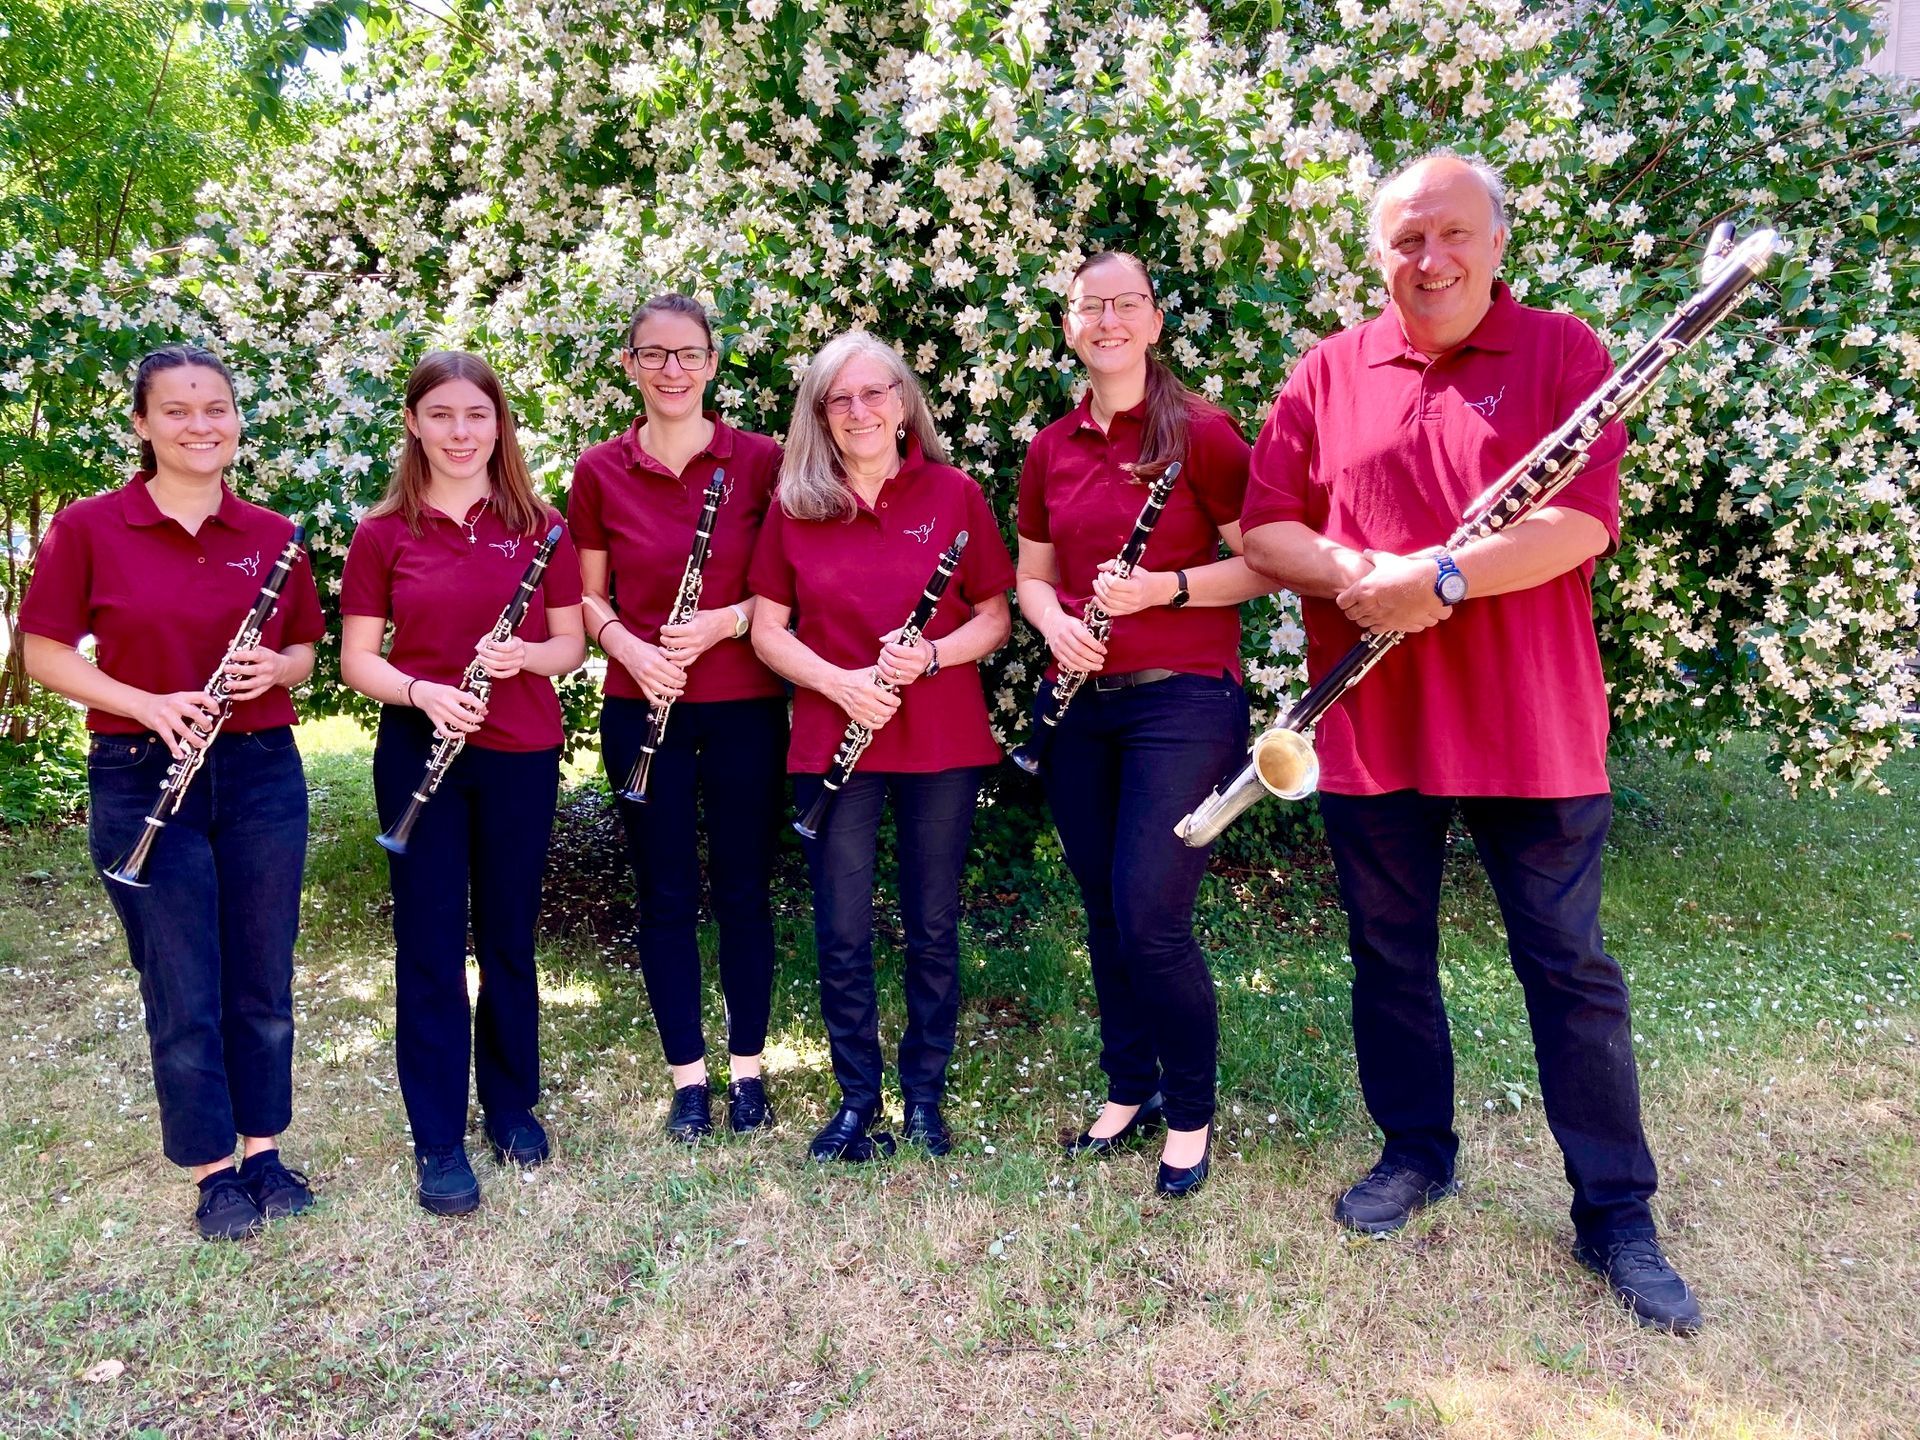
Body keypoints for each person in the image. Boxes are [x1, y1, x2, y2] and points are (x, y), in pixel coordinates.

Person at [1239, 151, 1701, 1332]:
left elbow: (1577, 524)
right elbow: (1265, 527)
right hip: (1370, 720)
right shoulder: (1330, 371)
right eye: (1405, 240)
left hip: (1527, 729)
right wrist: (1359, 574)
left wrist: (1439, 575)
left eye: (1452, 235)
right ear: (1378, 250)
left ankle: (1616, 1213)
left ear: (1499, 240)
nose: (1429, 260)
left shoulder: (1565, 354)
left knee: (1568, 968)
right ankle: (1415, 1153)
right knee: (1388, 957)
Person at [20, 345, 324, 1239]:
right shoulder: (88, 528)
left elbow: (303, 652)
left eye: (217, 408)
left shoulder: (274, 535)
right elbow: (42, 654)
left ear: (237, 421)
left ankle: (264, 1148)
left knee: (263, 974)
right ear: (143, 425)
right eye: (180, 411)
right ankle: (212, 1169)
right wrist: (146, 704)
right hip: (139, 770)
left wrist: (279, 665)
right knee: (182, 979)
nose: (202, 425)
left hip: (262, 767)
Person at [1015, 252, 1270, 1199]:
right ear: (1071, 325)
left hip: (1184, 699)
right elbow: (1032, 576)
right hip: (1083, 704)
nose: (1108, 321)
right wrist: (1055, 625)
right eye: (1091, 308)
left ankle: (1190, 1115)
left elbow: (1268, 563)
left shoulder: (1203, 434)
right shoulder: (1051, 446)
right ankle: (1131, 1085)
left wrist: (1164, 587)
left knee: (1153, 916)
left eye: (1126, 305)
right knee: (1104, 908)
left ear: (1155, 321)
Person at [748, 332, 1014, 1162]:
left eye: (875, 394)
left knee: (932, 926)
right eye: (841, 400)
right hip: (835, 738)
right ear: (820, 417)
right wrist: (839, 682)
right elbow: (766, 631)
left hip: (940, 738)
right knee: (841, 929)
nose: (860, 412)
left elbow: (995, 617)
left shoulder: (954, 493)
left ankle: (925, 1098)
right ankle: (858, 1100)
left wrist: (932, 653)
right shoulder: (795, 505)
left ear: (903, 403)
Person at [339, 350, 584, 1217]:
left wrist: (524, 657)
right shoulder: (383, 534)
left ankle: (512, 1105)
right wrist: (422, 691)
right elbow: (357, 659)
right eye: (440, 414)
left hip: (519, 747)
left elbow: (570, 647)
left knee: (510, 940)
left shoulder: (540, 525)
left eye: (475, 415)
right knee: (432, 951)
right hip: (420, 749)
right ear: (413, 423)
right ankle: (439, 1135)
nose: (458, 432)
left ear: (498, 424)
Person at [571, 294, 786, 1142]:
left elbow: (785, 584)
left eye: (688, 354)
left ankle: (748, 1073)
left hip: (743, 705)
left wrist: (725, 622)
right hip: (640, 704)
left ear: (711, 363)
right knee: (662, 896)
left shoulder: (761, 461)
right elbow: (586, 598)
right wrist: (629, 647)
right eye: (653, 355)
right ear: (630, 365)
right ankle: (687, 1079)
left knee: (743, 891)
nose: (671, 370)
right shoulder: (598, 470)